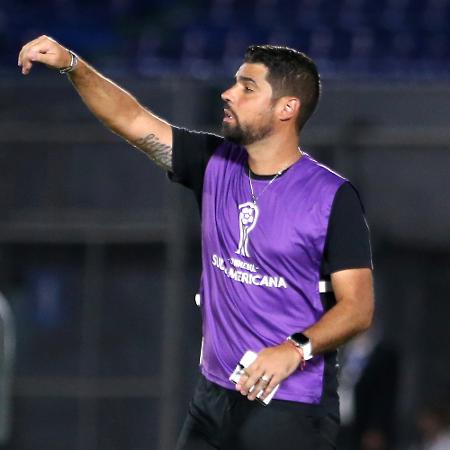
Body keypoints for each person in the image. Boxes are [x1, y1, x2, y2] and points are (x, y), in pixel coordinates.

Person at [18, 36, 375, 450]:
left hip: (291, 408)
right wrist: (72, 64)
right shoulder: (214, 163)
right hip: (212, 401)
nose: (228, 94)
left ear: (286, 108)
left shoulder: (332, 196)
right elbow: (131, 119)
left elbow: (358, 307)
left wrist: (295, 350)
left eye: (247, 88)